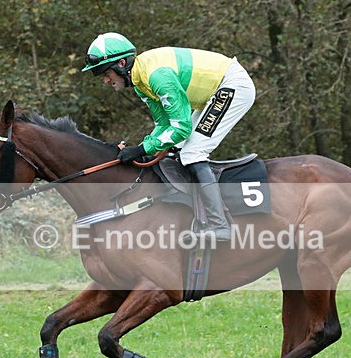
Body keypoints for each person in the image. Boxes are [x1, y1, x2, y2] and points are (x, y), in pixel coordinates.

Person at [82, 32, 256, 243]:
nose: (105, 80)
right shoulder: (140, 82)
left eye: (106, 72)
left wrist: (142, 149)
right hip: (215, 91)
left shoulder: (157, 77)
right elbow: (164, 125)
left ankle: (219, 226)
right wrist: (144, 146)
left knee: (192, 153)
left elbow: (181, 127)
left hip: (232, 85)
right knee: (178, 148)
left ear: (121, 63)